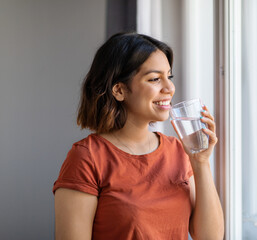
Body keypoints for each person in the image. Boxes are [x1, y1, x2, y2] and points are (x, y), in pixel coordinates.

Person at [53, 32, 224, 240]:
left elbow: (209, 237)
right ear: (119, 90)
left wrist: (201, 162)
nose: (169, 88)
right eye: (154, 79)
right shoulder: (87, 158)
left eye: (168, 76)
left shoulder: (179, 151)